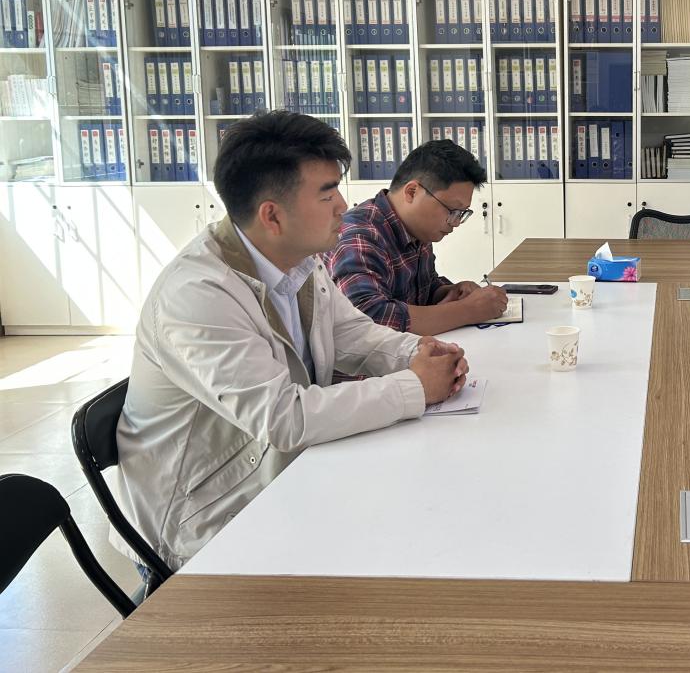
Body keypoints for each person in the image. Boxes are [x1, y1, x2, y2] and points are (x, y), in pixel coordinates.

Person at [115, 111, 469, 570]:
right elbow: (283, 418)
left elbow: (351, 332)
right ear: (272, 215)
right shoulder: (196, 296)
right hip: (204, 524)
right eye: (327, 193)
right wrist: (415, 387)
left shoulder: (298, 259)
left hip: (280, 478)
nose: (343, 205)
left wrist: (417, 353)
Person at [326, 139, 508, 335]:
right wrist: (468, 310)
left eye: (461, 213)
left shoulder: (417, 229)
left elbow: (423, 291)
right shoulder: (359, 236)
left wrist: (452, 292)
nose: (455, 223)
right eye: (452, 211)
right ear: (412, 192)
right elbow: (368, 320)